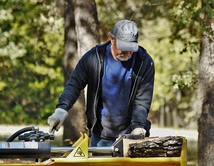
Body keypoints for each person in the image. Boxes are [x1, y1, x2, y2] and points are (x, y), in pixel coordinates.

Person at [48, 19, 155, 149]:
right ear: (112, 39)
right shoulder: (94, 58)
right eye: (124, 49)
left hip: (130, 135)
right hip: (101, 137)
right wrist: (62, 108)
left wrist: (138, 127)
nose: (128, 53)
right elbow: (75, 84)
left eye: (131, 49)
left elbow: (142, 100)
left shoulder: (144, 63)